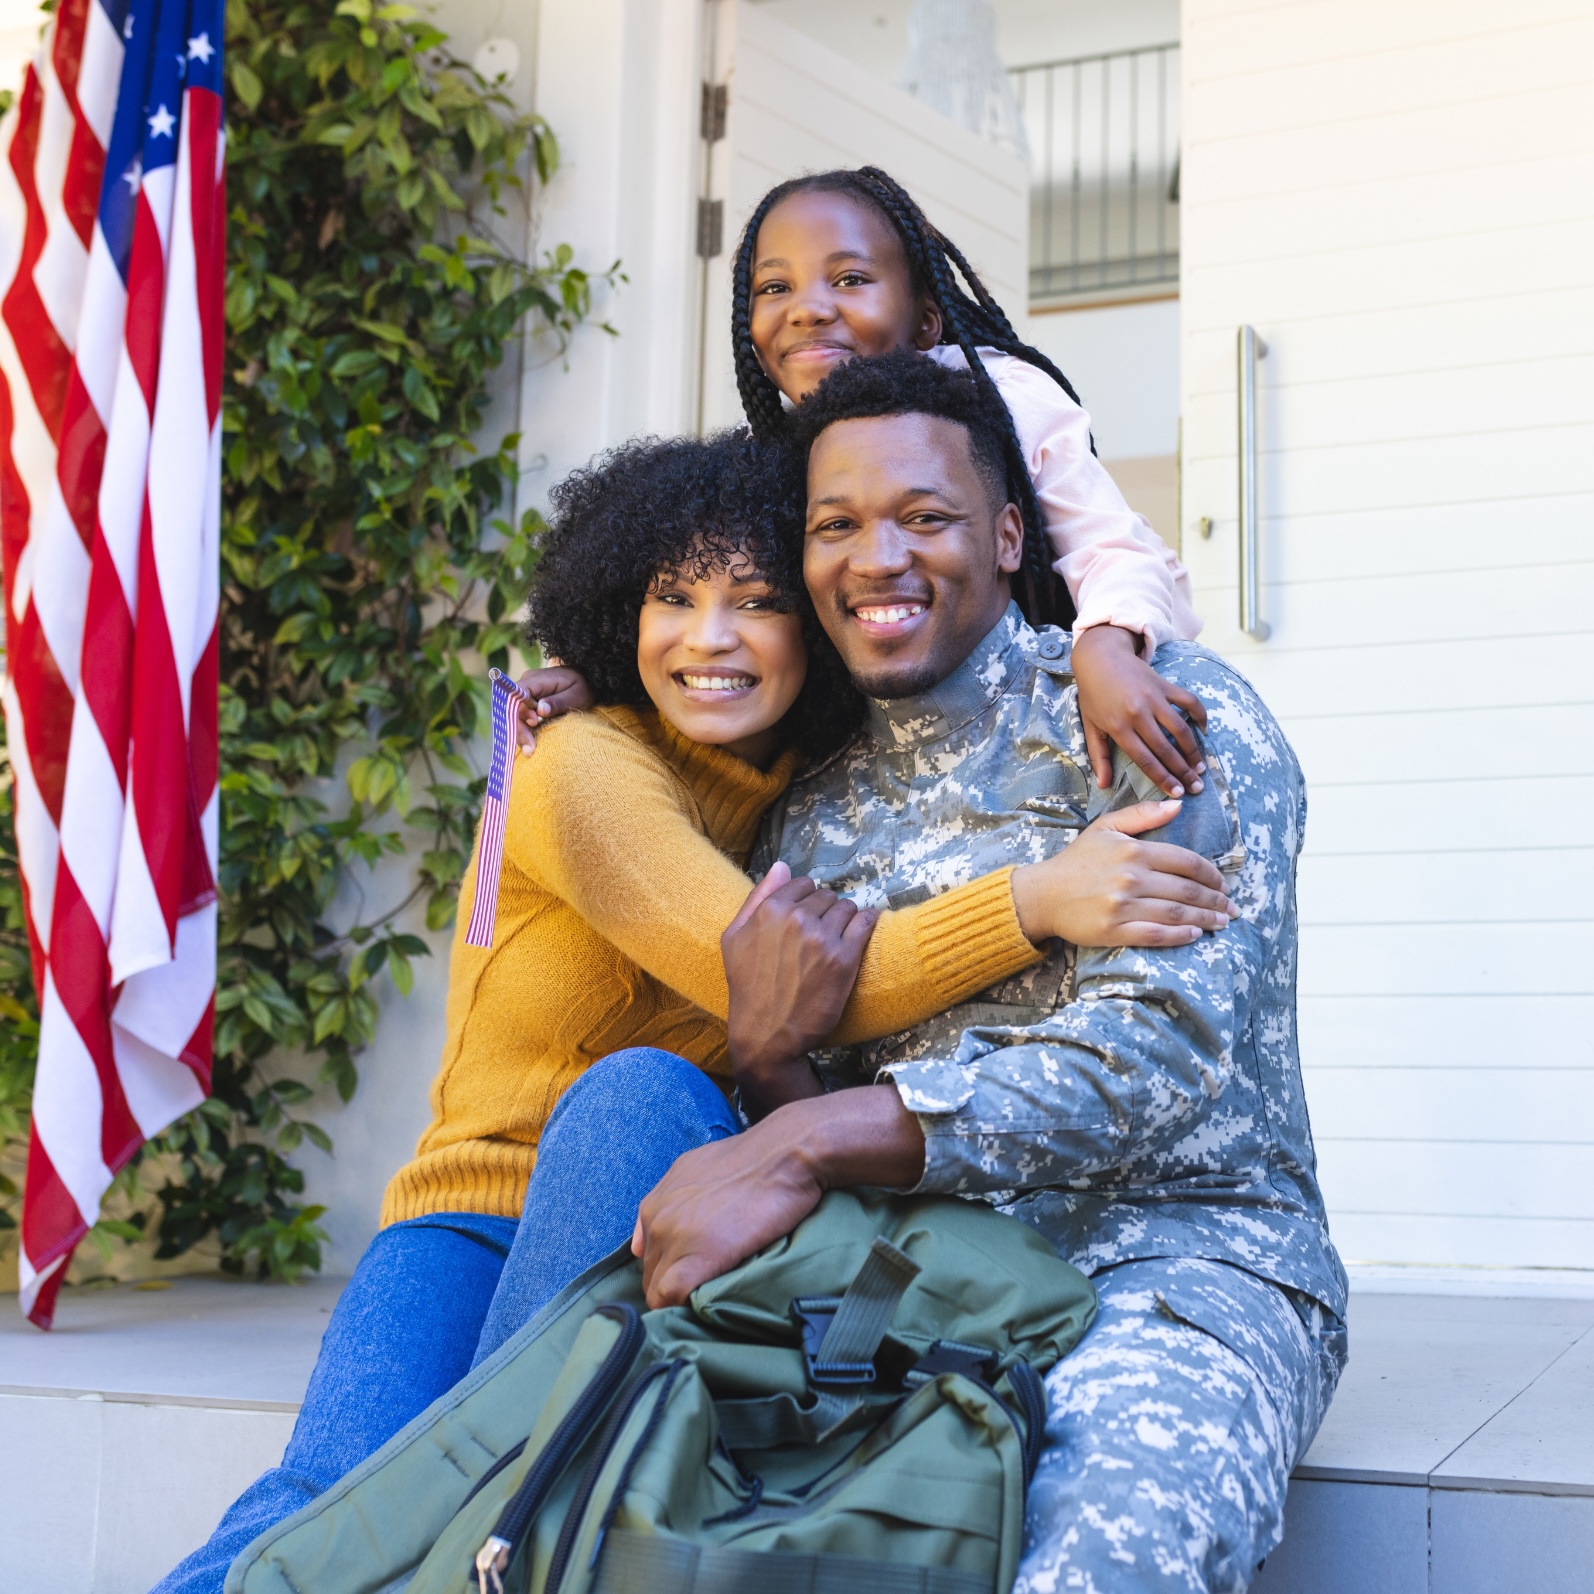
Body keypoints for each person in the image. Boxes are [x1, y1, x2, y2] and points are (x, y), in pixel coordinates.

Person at [149, 429, 1235, 1594]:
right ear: (619, 609)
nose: (706, 639)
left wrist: (1105, 637)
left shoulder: (802, 801)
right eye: (670, 598)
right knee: (327, 1501)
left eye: (754, 601)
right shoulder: (585, 768)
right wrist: (1038, 897)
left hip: (650, 1211)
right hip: (474, 1213)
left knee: (476, 1500)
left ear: (809, 630)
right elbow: (794, 975)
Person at [490, 353, 1347, 1594]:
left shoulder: (1156, 714)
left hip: (1177, 1259)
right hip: (901, 1280)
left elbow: (1155, 1054)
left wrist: (803, 1137)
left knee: (1096, 1557)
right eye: (835, 526)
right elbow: (812, 1118)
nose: (877, 557)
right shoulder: (813, 814)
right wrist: (778, 1068)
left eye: (925, 518)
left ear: (1008, 535)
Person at [521, 166, 1211, 804]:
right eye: (774, 287)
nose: (809, 309)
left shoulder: (998, 400)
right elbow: (706, 602)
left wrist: (1106, 648)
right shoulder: (785, 454)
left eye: (849, 280)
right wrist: (592, 673)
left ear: (926, 321)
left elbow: (1112, 547)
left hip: (1058, 715)